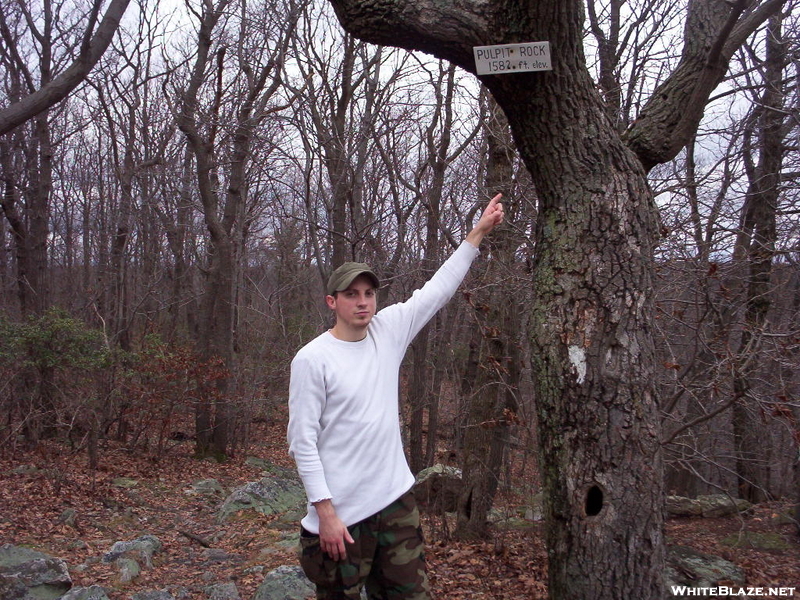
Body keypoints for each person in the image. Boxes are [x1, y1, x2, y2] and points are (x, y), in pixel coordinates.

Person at [287, 194, 504, 599]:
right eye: (352, 294)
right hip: (342, 520)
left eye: (368, 293)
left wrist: (477, 233)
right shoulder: (312, 359)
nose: (363, 301)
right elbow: (302, 443)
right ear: (332, 302)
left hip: (394, 506)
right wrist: (326, 513)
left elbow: (435, 291)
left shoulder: (387, 332)